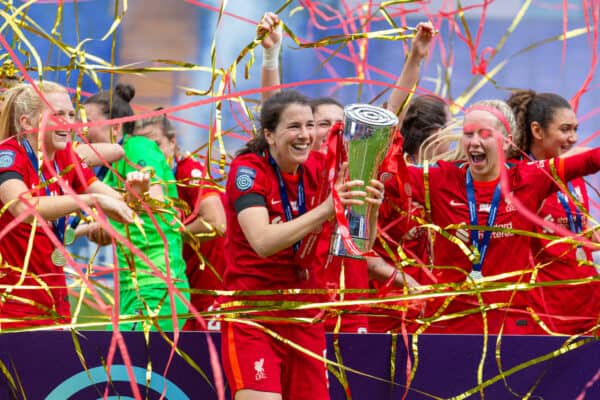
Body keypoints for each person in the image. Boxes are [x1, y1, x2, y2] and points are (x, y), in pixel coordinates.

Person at [377, 99, 600, 334]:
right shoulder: (438, 179)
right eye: (468, 134)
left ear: (506, 141)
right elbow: (385, 171)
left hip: (512, 328)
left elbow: (590, 160)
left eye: (485, 134)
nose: (474, 143)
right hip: (450, 325)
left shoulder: (530, 178)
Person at [220, 90, 383, 399]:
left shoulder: (320, 169)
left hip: (306, 315)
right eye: (294, 127)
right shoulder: (248, 170)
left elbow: (358, 247)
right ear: (269, 134)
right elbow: (263, 242)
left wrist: (369, 208)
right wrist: (325, 209)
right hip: (254, 317)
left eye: (310, 125)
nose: (306, 135)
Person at [0, 81, 134, 329]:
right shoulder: (8, 156)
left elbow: (117, 205)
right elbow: (23, 208)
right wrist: (89, 201)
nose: (69, 123)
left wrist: (135, 194)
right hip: (13, 308)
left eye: (71, 114)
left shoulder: (65, 158)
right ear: (27, 123)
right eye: (58, 114)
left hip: (57, 302)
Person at [83, 84, 190, 331]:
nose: (80, 130)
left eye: (87, 122)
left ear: (116, 126)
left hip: (157, 286)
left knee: (128, 367)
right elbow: (127, 219)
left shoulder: (138, 148)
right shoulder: (108, 172)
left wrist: (138, 200)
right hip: (130, 286)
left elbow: (156, 203)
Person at [507, 90, 599, 334]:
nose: (572, 138)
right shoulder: (521, 179)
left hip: (588, 305)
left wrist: (589, 235)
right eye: (565, 129)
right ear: (537, 131)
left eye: (575, 129)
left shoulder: (574, 177)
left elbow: (573, 229)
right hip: (545, 311)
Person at [133, 112, 226, 331]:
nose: (150, 153)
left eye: (157, 144)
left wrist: (166, 234)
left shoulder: (189, 172)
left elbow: (216, 223)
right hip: (174, 287)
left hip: (207, 286)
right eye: (143, 147)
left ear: (172, 142)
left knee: (203, 359)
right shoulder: (144, 180)